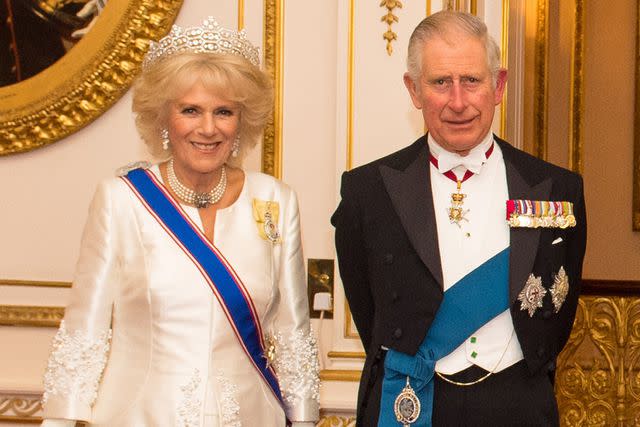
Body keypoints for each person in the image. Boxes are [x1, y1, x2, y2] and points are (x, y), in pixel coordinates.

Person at [40, 17, 319, 427]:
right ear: (164, 118)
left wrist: (305, 419)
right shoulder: (121, 200)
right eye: (190, 110)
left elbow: (293, 332)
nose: (208, 128)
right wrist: (60, 421)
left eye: (223, 111)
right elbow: (85, 331)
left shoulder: (276, 201)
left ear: (241, 121)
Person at [331, 10, 586, 427]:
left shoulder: (557, 189)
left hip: (517, 404)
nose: (458, 102)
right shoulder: (367, 192)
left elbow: (557, 317)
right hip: (413, 397)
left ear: (498, 85)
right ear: (414, 90)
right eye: (439, 82)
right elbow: (370, 311)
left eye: (471, 80)